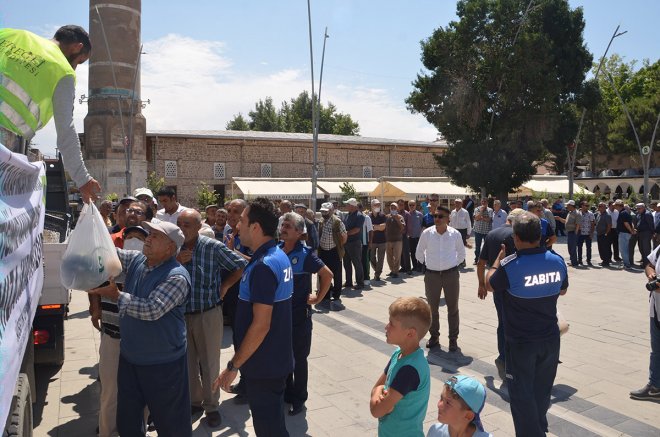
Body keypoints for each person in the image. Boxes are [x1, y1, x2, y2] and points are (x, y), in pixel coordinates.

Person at [88, 221, 193, 436]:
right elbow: (110, 254)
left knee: (171, 423)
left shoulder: (176, 276)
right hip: (131, 358)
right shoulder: (139, 260)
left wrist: (116, 295)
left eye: (156, 236)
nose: (148, 238)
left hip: (163, 364)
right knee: (128, 419)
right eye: (150, 233)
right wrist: (92, 223)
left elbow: (151, 309)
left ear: (170, 248)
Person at [213, 198, 294, 437]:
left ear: (256, 227)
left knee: (269, 429)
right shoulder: (275, 255)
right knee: (274, 425)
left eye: (242, 221)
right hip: (274, 359)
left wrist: (233, 366)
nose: (237, 225)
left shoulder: (263, 266)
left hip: (264, 365)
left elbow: (261, 325)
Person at [487, 212, 568, 437]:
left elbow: (490, 284)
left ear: (516, 238)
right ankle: (539, 427)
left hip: (521, 343)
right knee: (542, 391)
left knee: (522, 396)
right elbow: (563, 290)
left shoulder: (510, 265)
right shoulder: (557, 261)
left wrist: (498, 260)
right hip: (550, 340)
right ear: (540, 236)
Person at [0, 25, 101, 202]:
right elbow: (66, 130)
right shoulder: (63, 71)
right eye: (79, 62)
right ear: (77, 47)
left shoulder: (11, 35)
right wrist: (82, 178)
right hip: (5, 144)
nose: (75, 67)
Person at [176, 209, 247, 427]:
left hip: (207, 314)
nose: (182, 229)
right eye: (179, 224)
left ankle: (212, 406)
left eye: (187, 225)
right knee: (187, 363)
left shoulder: (212, 247)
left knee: (209, 363)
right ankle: (194, 402)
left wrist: (225, 286)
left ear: (199, 227)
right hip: (181, 315)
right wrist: (176, 261)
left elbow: (240, 265)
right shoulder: (172, 247)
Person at [91, 225, 148, 437]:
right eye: (130, 236)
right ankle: (107, 432)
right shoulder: (110, 267)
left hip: (140, 341)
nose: (134, 241)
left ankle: (140, 430)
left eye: (140, 237)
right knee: (110, 393)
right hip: (112, 337)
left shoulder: (150, 269)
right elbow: (93, 284)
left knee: (141, 391)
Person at [279, 212, 333, 415]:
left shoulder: (305, 254)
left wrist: (318, 298)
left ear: (299, 232)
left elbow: (327, 275)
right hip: (280, 316)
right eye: (283, 225)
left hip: (299, 317)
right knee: (284, 356)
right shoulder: (277, 250)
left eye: (288, 226)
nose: (283, 229)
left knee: (299, 359)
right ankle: (287, 393)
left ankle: (299, 398)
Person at [370, 297, 431, 437]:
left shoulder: (410, 369)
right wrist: (379, 391)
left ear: (410, 333)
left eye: (391, 324)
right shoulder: (398, 354)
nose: (386, 327)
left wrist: (378, 396)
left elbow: (377, 411)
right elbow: (377, 387)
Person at [477, 208, 524, 380]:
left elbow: (481, 262)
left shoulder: (492, 234)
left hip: (496, 285)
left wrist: (482, 284)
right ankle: (509, 358)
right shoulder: (517, 235)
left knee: (502, 323)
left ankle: (503, 356)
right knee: (516, 323)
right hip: (515, 286)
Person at [416, 205, 465, 352]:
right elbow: (419, 253)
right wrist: (428, 265)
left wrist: (452, 266)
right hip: (432, 275)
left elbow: (461, 254)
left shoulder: (455, 234)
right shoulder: (427, 233)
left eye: (440, 216)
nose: (436, 219)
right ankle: (434, 336)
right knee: (432, 308)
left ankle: (453, 339)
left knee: (453, 308)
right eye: (435, 216)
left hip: (451, 275)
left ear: (448, 218)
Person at [629, 244, 660, 401]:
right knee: (656, 351)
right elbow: (649, 264)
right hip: (656, 310)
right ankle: (654, 387)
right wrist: (651, 275)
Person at [427, 375, 492, 437]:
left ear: (468, 415)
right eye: (441, 398)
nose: (439, 405)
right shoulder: (435, 431)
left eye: (448, 403)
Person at [317, 202, 347, 302]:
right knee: (323, 274)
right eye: (322, 212)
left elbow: (344, 236)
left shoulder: (337, 222)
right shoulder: (321, 221)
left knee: (337, 275)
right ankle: (325, 294)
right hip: (323, 252)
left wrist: (339, 245)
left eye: (325, 212)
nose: (323, 214)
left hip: (334, 252)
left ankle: (336, 294)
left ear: (331, 211)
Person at [342, 197, 365, 289]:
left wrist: (345, 233)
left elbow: (357, 229)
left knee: (357, 263)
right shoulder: (347, 215)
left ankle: (360, 283)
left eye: (347, 205)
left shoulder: (360, 216)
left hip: (354, 243)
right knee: (346, 263)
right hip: (346, 243)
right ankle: (348, 282)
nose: (346, 206)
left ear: (352, 206)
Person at [555, 200, 579, 267]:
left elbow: (578, 224)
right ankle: (572, 261)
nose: (566, 206)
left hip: (573, 233)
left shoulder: (577, 213)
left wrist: (575, 233)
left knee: (573, 248)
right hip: (570, 232)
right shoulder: (570, 212)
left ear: (571, 205)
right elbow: (566, 221)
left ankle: (574, 262)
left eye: (568, 205)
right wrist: (559, 219)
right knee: (570, 248)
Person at [385, 202, 405, 278]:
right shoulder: (387, 217)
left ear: (397, 209)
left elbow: (402, 228)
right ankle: (392, 270)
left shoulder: (400, 217)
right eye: (392, 208)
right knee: (389, 257)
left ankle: (396, 272)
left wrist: (397, 219)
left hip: (398, 240)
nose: (393, 209)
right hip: (388, 240)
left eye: (394, 208)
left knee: (397, 257)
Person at [369, 199, 387, 281]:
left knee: (381, 259)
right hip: (372, 241)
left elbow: (383, 227)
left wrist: (373, 227)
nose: (378, 206)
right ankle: (377, 270)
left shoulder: (383, 216)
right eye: (376, 205)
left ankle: (377, 274)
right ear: (372, 206)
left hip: (382, 241)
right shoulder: (368, 216)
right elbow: (369, 228)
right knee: (371, 258)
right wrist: (378, 227)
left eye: (379, 205)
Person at [615, 199, 635, 269]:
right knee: (625, 249)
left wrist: (631, 231)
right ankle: (626, 263)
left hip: (624, 233)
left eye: (615, 205)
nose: (615, 207)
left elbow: (626, 224)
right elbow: (630, 223)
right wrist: (632, 230)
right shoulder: (625, 212)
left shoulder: (623, 213)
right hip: (625, 233)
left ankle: (627, 264)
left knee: (623, 250)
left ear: (618, 206)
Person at [472, 198, 493, 264]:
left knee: (487, 246)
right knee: (477, 246)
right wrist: (481, 211)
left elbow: (489, 220)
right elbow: (476, 218)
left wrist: (481, 217)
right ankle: (476, 259)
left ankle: (486, 260)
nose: (483, 203)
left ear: (487, 202)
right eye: (482, 201)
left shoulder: (490, 210)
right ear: (481, 202)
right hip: (478, 231)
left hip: (487, 231)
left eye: (485, 201)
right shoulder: (477, 209)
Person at [635, 203, 654, 268]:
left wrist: (652, 233)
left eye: (639, 208)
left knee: (646, 249)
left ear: (643, 208)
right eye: (637, 208)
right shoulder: (639, 214)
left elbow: (651, 224)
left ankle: (647, 264)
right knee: (641, 248)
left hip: (646, 233)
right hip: (640, 233)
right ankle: (644, 262)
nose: (638, 210)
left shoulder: (647, 214)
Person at [397, 199, 413, 275]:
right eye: (399, 204)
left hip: (404, 235)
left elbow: (409, 226)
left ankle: (408, 269)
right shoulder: (395, 213)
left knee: (406, 252)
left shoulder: (407, 214)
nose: (401, 206)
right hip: (396, 236)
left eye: (402, 205)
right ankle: (403, 267)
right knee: (399, 253)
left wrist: (407, 235)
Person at [576, 201, 595, 266]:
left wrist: (591, 233)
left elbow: (593, 224)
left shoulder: (590, 214)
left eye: (588, 206)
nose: (587, 207)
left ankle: (588, 260)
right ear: (582, 206)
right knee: (579, 247)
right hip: (580, 233)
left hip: (588, 233)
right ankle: (580, 260)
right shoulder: (578, 213)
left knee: (589, 247)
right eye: (586, 205)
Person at [407, 200, 424, 272]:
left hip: (418, 237)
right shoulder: (407, 214)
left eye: (413, 205)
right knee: (412, 253)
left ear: (415, 205)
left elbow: (422, 225)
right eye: (410, 205)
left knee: (420, 252)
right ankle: (414, 266)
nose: (411, 206)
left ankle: (420, 266)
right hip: (410, 237)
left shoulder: (420, 214)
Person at [595, 202, 613, 267]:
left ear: (604, 207)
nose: (598, 207)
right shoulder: (599, 214)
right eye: (598, 206)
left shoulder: (607, 215)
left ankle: (606, 261)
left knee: (605, 248)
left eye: (600, 206)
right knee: (600, 248)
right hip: (599, 234)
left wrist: (606, 233)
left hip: (604, 234)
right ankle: (603, 260)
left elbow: (609, 225)